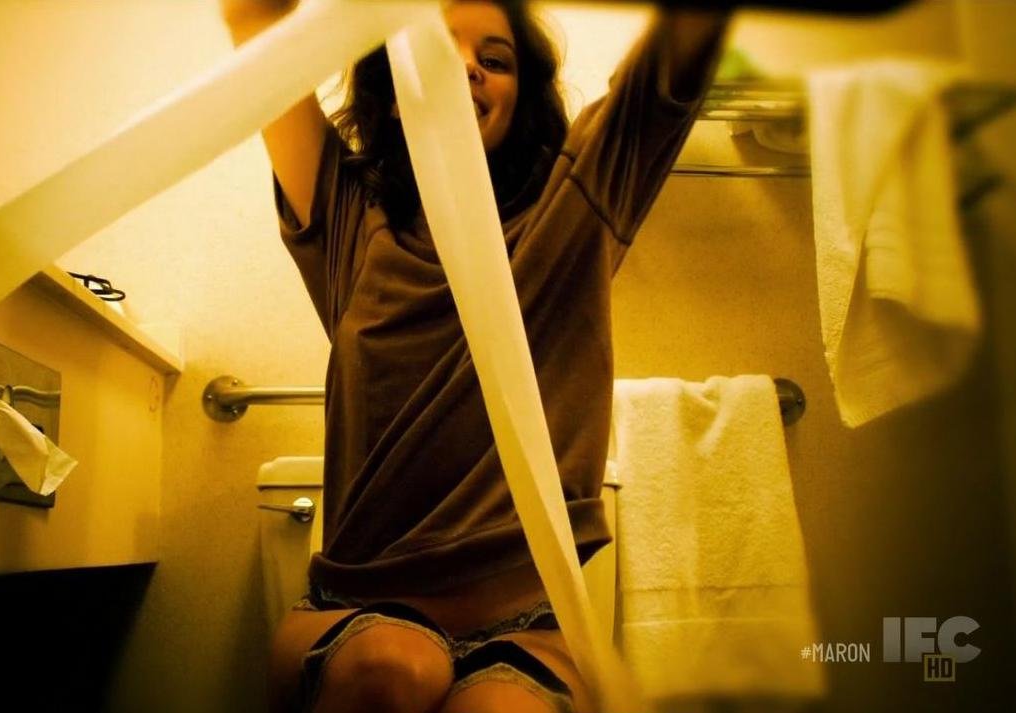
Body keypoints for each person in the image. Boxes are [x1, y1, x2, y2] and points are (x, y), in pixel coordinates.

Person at [219, 1, 731, 711]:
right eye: (433, 49)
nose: (466, 67)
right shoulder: (350, 220)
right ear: (391, 94)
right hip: (359, 606)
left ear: (521, 99)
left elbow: (677, 56)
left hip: (529, 621)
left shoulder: (573, 206)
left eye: (495, 60)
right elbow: (255, 24)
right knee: (393, 670)